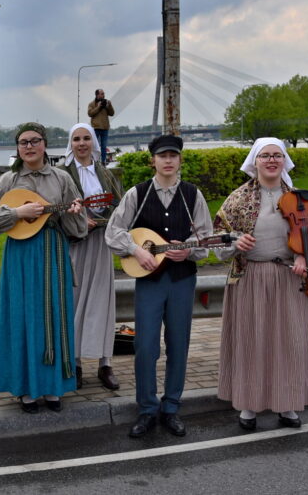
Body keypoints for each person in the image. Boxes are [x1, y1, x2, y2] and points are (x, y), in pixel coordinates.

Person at [105, 134, 212, 438]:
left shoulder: (193, 195)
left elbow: (206, 239)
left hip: (182, 280)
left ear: (179, 160)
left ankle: (172, 407)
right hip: (149, 281)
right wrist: (137, 250)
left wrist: (189, 250)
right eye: (162, 156)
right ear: (152, 160)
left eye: (173, 156)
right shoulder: (137, 194)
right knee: (145, 346)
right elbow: (113, 232)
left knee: (178, 345)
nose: (168, 161)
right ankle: (147, 409)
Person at [213, 137, 308, 431]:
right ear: (255, 161)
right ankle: (249, 406)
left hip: (290, 278)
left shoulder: (303, 199)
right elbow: (218, 243)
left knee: (288, 343)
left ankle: (286, 404)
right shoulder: (237, 199)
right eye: (265, 156)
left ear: (285, 160)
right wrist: (236, 243)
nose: (272, 160)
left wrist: (306, 258)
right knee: (252, 342)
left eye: (277, 155)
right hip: (251, 279)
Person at [0, 123, 87, 413]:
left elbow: (78, 227)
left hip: (52, 251)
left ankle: (52, 388)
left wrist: (75, 212)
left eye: (34, 141)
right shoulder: (8, 181)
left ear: (44, 144)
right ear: (17, 148)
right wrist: (17, 213)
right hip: (21, 254)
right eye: (23, 142)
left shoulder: (62, 178)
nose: (29, 146)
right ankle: (26, 389)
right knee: (23, 315)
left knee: (53, 314)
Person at [58, 122, 123, 391]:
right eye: (77, 139)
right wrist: (80, 221)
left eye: (86, 138)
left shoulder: (105, 174)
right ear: (70, 144)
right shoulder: (62, 174)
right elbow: (58, 208)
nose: (82, 143)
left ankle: (104, 362)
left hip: (101, 245)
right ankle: (75, 363)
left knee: (102, 301)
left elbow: (120, 207)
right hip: (76, 245)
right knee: (74, 302)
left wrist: (105, 220)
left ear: (93, 143)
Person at [87, 89, 115, 163]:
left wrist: (110, 105)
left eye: (103, 94)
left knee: (104, 146)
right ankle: (94, 161)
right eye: (102, 94)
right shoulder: (92, 104)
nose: (103, 95)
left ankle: (103, 161)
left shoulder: (106, 103)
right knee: (94, 146)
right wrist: (98, 107)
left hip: (105, 128)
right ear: (97, 95)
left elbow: (112, 113)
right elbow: (90, 113)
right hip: (96, 128)